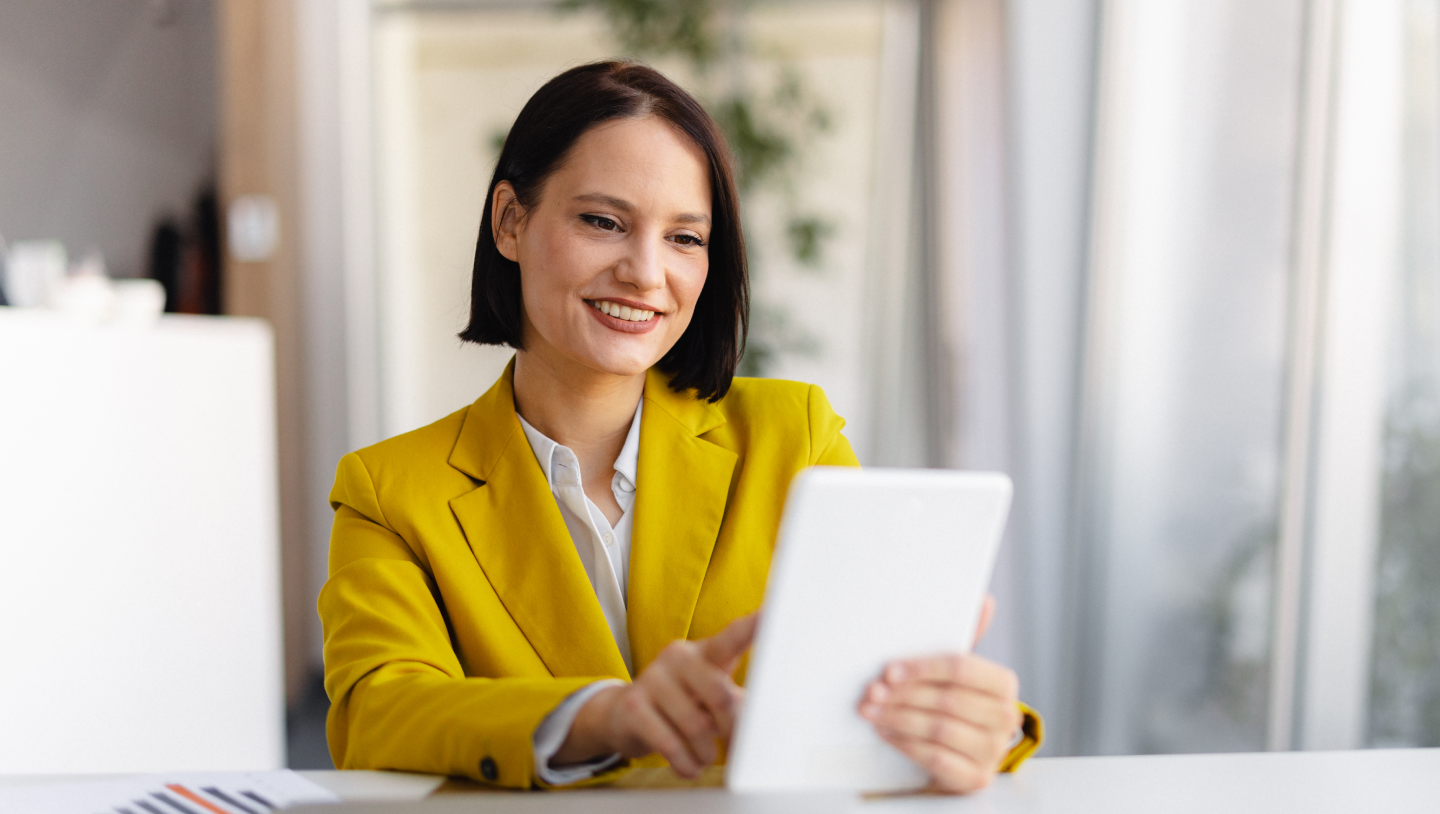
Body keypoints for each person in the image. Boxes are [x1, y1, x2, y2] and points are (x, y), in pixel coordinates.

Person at [318, 61, 1041, 792]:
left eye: (685, 238)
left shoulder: (795, 440)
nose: (645, 271)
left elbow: (891, 677)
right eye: (603, 222)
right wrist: (605, 715)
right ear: (510, 221)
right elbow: (375, 714)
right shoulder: (391, 490)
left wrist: (975, 723)